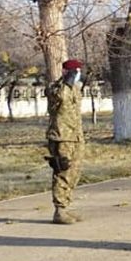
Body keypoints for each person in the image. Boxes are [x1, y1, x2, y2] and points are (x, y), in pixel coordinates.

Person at [45, 59, 85, 225]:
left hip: (75, 137)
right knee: (63, 172)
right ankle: (59, 210)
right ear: (66, 72)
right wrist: (66, 81)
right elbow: (59, 98)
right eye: (76, 71)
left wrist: (74, 83)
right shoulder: (55, 88)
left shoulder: (75, 89)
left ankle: (66, 206)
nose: (78, 74)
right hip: (61, 137)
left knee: (74, 173)